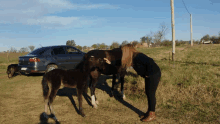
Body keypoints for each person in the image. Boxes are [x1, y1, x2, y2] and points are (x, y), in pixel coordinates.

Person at [120, 44, 161, 122]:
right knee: (148, 93)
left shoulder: (138, 56)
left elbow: (151, 61)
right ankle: (149, 112)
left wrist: (148, 73)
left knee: (151, 94)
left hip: (153, 74)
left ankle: (152, 114)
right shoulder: (133, 58)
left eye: (123, 51)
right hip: (151, 75)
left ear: (127, 51)